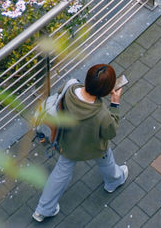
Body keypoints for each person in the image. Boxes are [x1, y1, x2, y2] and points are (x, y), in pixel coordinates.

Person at [32, 63, 127, 222]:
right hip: (95, 147)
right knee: (106, 160)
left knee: (61, 173)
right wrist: (115, 104)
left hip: (67, 146)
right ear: (105, 91)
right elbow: (111, 132)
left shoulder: (70, 87)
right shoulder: (101, 114)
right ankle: (114, 181)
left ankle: (43, 210)